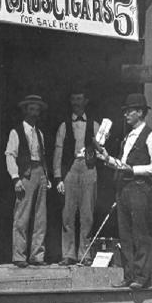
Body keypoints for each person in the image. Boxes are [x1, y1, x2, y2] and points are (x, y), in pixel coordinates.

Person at [94, 93, 152, 290]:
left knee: (142, 233)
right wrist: (107, 158)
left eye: (129, 111)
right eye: (125, 111)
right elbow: (123, 165)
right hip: (124, 189)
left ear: (140, 113)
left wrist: (134, 170)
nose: (125, 115)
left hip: (140, 189)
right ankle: (129, 275)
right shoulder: (127, 138)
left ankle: (142, 278)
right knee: (126, 234)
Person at [53, 89, 100, 265]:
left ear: (85, 101)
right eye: (73, 99)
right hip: (70, 169)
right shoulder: (64, 126)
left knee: (87, 214)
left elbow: (101, 150)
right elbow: (58, 152)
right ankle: (68, 254)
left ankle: (85, 254)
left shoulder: (95, 125)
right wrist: (58, 177)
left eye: (79, 99)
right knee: (68, 213)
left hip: (89, 168)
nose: (76, 103)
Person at [5, 94, 51, 267]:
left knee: (41, 217)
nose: (34, 113)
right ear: (25, 111)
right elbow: (10, 155)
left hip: (40, 172)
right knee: (22, 216)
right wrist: (15, 177)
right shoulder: (16, 132)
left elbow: (42, 155)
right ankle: (19, 255)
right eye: (31, 109)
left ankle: (37, 255)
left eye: (37, 110)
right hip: (25, 173)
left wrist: (45, 176)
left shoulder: (39, 133)